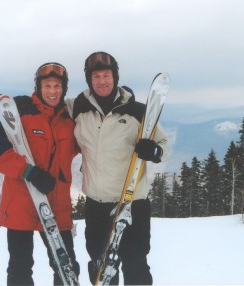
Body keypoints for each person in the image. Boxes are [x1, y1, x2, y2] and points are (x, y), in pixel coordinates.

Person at [65, 51, 168, 285]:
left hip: (133, 202)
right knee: (100, 268)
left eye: (107, 75)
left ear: (115, 77)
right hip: (96, 204)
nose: (102, 81)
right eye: (96, 76)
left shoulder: (137, 111)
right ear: (89, 80)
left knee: (135, 265)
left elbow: (162, 144)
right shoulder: (77, 108)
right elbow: (48, 106)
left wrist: (153, 151)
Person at [0, 62, 80, 285]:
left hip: (57, 207)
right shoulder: (23, 111)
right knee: (20, 268)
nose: (52, 91)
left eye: (57, 86)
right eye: (47, 85)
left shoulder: (69, 119)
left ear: (64, 89)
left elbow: (90, 144)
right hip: (22, 205)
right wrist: (29, 171)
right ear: (39, 87)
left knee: (67, 267)